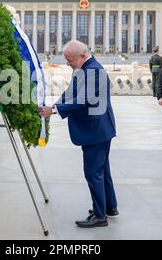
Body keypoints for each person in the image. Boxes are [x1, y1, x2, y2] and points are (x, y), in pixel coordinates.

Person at [38, 40, 118, 228]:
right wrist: (53, 106)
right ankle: (109, 207)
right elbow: (70, 92)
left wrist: (55, 110)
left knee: (93, 172)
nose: (67, 62)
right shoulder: (84, 68)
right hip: (100, 129)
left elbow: (82, 100)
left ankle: (100, 216)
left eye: (70, 59)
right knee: (102, 170)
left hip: (96, 131)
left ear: (82, 56)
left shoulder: (94, 71)